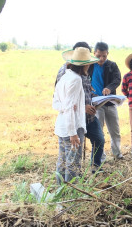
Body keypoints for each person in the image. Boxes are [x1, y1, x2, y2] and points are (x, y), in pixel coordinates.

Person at [55, 42, 105, 176]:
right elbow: (69, 107)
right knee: (73, 164)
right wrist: (73, 133)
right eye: (88, 62)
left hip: (62, 126)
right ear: (84, 64)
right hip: (73, 127)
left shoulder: (66, 77)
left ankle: (62, 191)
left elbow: (56, 103)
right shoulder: (76, 79)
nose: (90, 65)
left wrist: (68, 107)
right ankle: (72, 193)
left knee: (63, 161)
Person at [88, 42, 123, 159]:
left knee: (115, 131)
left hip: (110, 103)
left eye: (104, 56)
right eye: (98, 56)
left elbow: (117, 79)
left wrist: (109, 88)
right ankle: (100, 157)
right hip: (96, 104)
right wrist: (89, 88)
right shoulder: (89, 66)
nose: (102, 59)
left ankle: (117, 154)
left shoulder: (112, 65)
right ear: (94, 53)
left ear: (107, 54)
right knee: (99, 132)